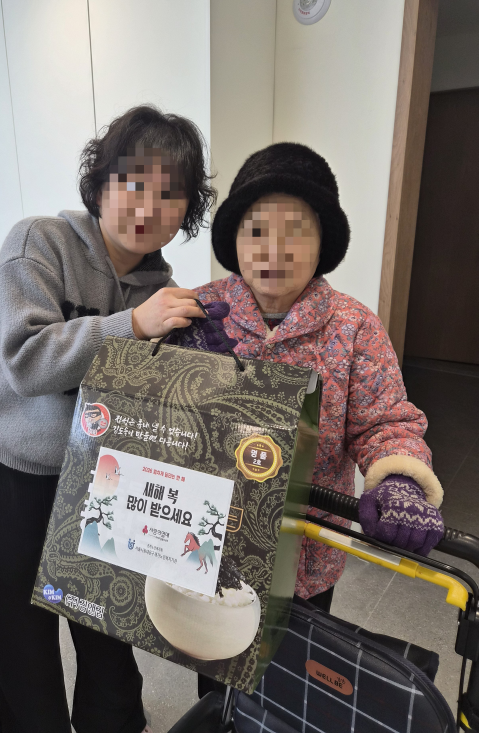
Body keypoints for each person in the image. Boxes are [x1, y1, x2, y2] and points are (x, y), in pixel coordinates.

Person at [0, 105, 215, 733]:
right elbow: (26, 360)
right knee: (21, 637)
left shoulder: (162, 289)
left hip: (101, 481)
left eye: (170, 194)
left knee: (106, 626)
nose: (148, 206)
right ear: (100, 185)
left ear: (186, 212)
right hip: (11, 472)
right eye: (133, 182)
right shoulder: (38, 243)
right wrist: (131, 326)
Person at [189, 143, 444, 694]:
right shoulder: (200, 310)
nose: (273, 249)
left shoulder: (353, 325)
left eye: (295, 231)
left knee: (289, 683)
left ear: (323, 241)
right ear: (234, 240)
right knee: (215, 673)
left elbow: (386, 421)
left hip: (305, 550)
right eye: (257, 231)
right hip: (212, 539)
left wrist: (399, 479)